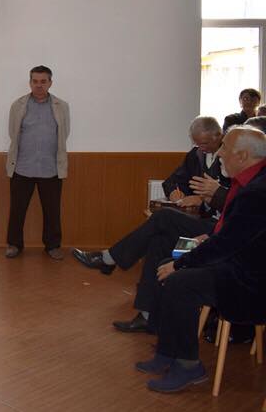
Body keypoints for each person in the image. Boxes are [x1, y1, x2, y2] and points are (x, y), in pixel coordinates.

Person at [137, 126, 266, 393]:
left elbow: (226, 245)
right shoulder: (252, 181)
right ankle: (167, 352)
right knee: (166, 266)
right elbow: (234, 235)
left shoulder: (258, 191)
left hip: (251, 282)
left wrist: (181, 264)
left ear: (242, 156)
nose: (220, 154)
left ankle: (188, 365)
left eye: (225, 148)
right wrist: (204, 241)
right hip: (240, 265)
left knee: (179, 281)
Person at [72, 116, 230, 332]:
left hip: (218, 233)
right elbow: (171, 181)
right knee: (158, 242)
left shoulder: (231, 161)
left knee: (163, 217)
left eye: (204, 143)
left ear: (218, 135)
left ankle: (109, 258)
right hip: (201, 224)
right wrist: (174, 192)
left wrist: (203, 198)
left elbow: (235, 202)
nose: (201, 148)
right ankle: (147, 316)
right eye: (197, 143)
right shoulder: (196, 155)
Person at [5, 65, 70, 260]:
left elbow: (64, 134)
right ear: (30, 82)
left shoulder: (61, 106)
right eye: (35, 81)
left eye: (43, 81)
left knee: (52, 211)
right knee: (17, 210)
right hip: (22, 167)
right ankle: (14, 244)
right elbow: (13, 133)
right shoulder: (18, 105)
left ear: (50, 83)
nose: (39, 85)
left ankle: (52, 246)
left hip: (51, 169)